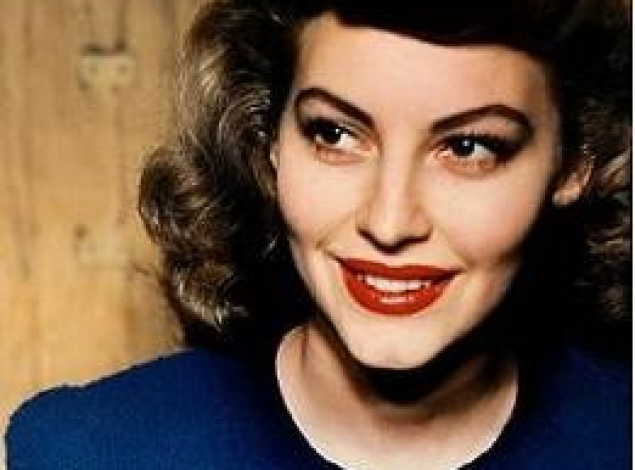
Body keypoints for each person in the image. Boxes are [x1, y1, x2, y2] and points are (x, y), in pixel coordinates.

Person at [6, 0, 630, 468]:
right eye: (334, 134)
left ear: (574, 162)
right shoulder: (86, 452)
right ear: (267, 139)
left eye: (468, 148)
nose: (389, 223)